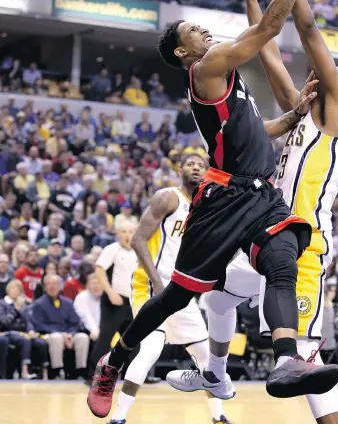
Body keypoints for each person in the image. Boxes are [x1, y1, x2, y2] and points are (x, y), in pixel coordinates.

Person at [88, 0, 338, 419]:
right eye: (193, 32)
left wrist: (289, 119)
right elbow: (270, 29)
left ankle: (288, 359)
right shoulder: (204, 70)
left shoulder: (225, 74)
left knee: (283, 260)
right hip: (223, 201)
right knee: (178, 297)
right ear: (184, 52)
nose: (203, 32)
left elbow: (249, 130)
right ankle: (115, 361)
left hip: (260, 195)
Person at [169, 0, 338, 424]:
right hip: (265, 235)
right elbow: (272, 54)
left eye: (327, 75)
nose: (316, 74)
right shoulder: (305, 112)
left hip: (303, 248)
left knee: (305, 364)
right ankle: (215, 372)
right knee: (215, 291)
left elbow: (304, 29)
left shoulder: (335, 117)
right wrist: (252, 0)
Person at [108, 154, 232, 424]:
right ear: (179, 170)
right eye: (190, 163)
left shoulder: (204, 207)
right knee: (151, 349)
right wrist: (156, 281)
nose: (196, 167)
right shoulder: (168, 197)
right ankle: (118, 417)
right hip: (151, 284)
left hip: (181, 290)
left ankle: (218, 416)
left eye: (201, 164)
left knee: (206, 357)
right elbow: (138, 240)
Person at [90, 221, 138, 373]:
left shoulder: (140, 250)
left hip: (133, 301)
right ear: (117, 234)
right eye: (123, 231)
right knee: (105, 338)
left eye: (130, 231)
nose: (127, 235)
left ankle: (135, 375)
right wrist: (110, 292)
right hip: (113, 300)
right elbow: (99, 270)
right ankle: (93, 373)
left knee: (135, 340)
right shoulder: (112, 249)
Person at [32, 274, 90, 378]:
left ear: (59, 286)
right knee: (57, 338)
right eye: (49, 284)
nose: (52, 286)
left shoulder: (67, 302)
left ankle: (80, 371)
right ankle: (56, 371)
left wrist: (70, 334)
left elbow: (75, 322)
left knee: (83, 337)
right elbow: (38, 325)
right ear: (45, 287)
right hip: (49, 335)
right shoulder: (38, 304)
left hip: (67, 334)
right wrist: (59, 333)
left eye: (55, 284)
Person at [0, 279, 49, 379]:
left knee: (41, 342)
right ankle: (24, 371)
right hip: (8, 332)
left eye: (18, 289)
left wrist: (30, 330)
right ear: (8, 290)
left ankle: (44, 373)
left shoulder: (24, 305)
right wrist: (16, 310)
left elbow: (28, 320)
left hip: (23, 332)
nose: (15, 291)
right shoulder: (2, 304)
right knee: (25, 340)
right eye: (13, 288)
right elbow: (4, 322)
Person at [74, 273, 102, 342]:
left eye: (99, 283)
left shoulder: (105, 297)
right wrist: (95, 330)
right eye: (93, 283)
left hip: (103, 330)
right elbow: (86, 317)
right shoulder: (81, 297)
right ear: (87, 285)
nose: (96, 286)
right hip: (86, 330)